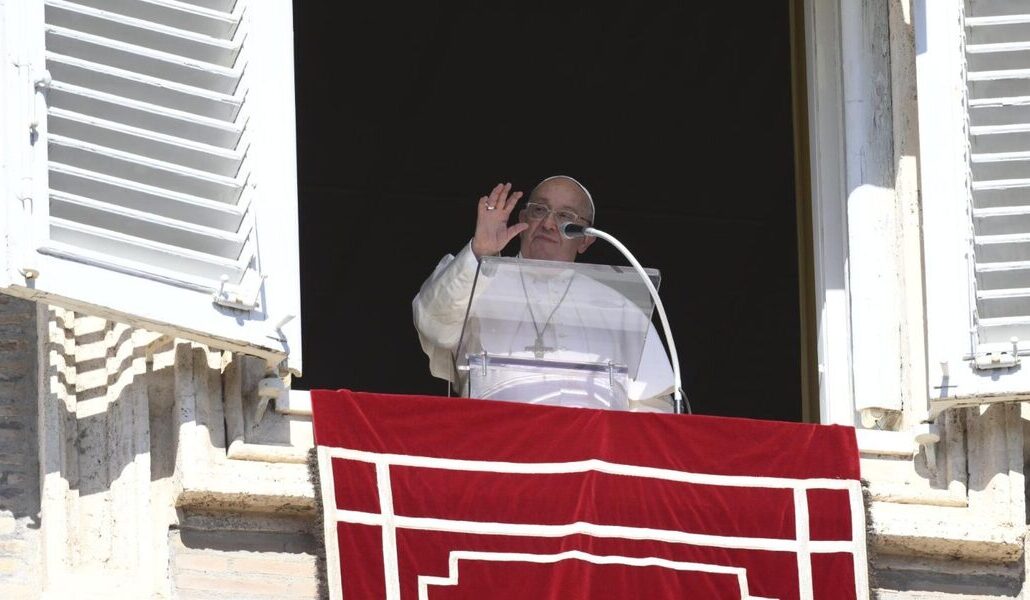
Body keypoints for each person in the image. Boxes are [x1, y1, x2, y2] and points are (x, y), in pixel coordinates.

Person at [412, 176, 674, 412]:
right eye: (540, 210)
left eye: (565, 216)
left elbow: (652, 403)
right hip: (495, 443)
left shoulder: (618, 307)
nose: (548, 223)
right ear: (524, 219)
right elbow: (433, 324)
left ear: (585, 239)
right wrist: (480, 253)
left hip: (591, 454)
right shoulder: (476, 278)